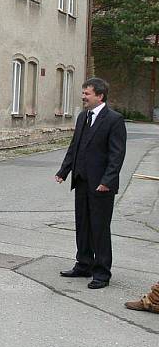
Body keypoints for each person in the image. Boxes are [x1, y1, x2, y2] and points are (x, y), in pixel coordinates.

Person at [55, 77, 127, 289]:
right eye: (83, 93)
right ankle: (84, 264)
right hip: (82, 181)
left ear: (100, 95)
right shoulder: (82, 117)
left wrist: (108, 180)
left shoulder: (114, 119)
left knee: (99, 228)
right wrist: (64, 170)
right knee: (83, 225)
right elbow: (75, 146)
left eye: (87, 94)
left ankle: (102, 273)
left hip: (101, 185)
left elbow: (117, 155)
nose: (83, 97)